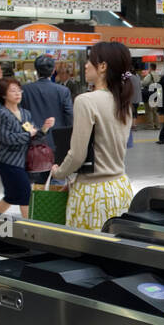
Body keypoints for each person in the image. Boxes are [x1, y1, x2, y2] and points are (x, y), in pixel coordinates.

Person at [51, 41, 135, 232]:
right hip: (120, 188)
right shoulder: (123, 102)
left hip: (93, 194)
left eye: (90, 61)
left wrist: (59, 173)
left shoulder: (86, 101)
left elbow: (78, 154)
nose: (86, 65)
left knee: (89, 252)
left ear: (103, 66)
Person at [0, 78, 53, 218]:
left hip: (24, 161)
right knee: (26, 194)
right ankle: (29, 226)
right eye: (13, 91)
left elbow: (34, 136)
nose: (17, 93)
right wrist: (27, 135)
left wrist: (44, 128)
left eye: (19, 90)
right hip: (9, 162)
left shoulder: (26, 113)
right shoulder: (3, 114)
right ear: (3, 95)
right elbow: (6, 138)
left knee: (11, 197)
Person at [20, 54, 70, 181]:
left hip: (33, 143)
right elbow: (70, 117)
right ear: (53, 70)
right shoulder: (63, 91)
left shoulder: (25, 90)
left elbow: (21, 116)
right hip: (57, 143)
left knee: (35, 183)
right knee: (57, 179)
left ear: (36, 71)